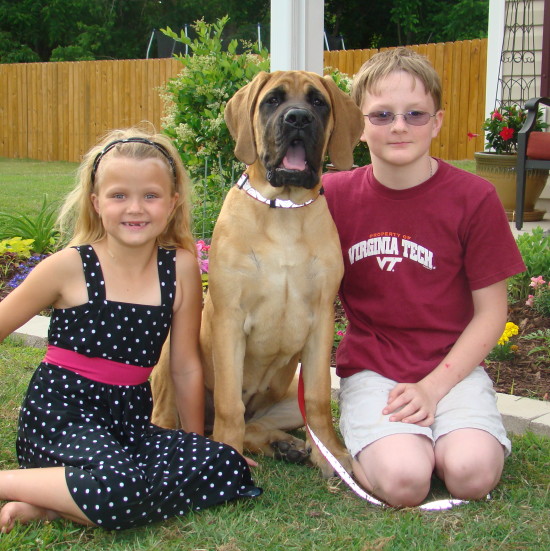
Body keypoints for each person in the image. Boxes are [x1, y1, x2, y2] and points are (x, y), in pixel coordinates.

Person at [0, 127, 261, 533]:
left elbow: (186, 367)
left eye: (150, 196)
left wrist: (195, 445)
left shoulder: (180, 268)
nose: (135, 208)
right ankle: (30, 486)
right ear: (96, 202)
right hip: (62, 417)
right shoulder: (69, 267)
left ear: (172, 204)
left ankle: (49, 504)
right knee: (123, 486)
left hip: (129, 422)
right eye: (119, 195)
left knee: (225, 465)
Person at [322, 48, 526, 508]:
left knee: (471, 475)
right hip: (374, 368)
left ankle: (447, 433)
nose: (399, 126)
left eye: (415, 114)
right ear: (358, 125)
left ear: (437, 122)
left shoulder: (473, 197)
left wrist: (434, 388)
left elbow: (492, 313)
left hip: (453, 369)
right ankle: (393, 445)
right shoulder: (331, 195)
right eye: (382, 115)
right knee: (405, 482)